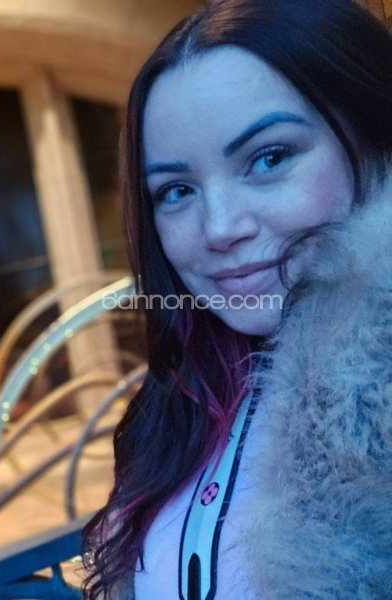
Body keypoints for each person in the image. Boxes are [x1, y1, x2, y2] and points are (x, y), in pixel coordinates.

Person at [82, 0, 392, 598]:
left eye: (269, 158)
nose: (220, 228)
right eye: (176, 190)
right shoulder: (184, 397)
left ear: (376, 140)